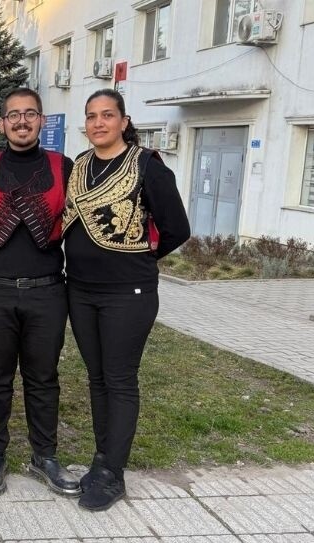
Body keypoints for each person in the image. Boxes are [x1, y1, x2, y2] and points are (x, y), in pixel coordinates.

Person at [63, 89, 190, 511]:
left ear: (123, 120)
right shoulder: (80, 165)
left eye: (107, 115)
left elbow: (176, 228)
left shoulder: (146, 166)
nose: (98, 123)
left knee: (119, 379)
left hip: (127, 294)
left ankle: (112, 474)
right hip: (80, 290)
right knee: (97, 378)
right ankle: (103, 460)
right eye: (92, 116)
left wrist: (141, 256)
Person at [0, 88, 79, 497]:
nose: (21, 121)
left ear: (42, 121)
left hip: (47, 291)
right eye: (12, 115)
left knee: (43, 379)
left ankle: (44, 456)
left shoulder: (64, 166)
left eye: (29, 114)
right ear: (2, 123)